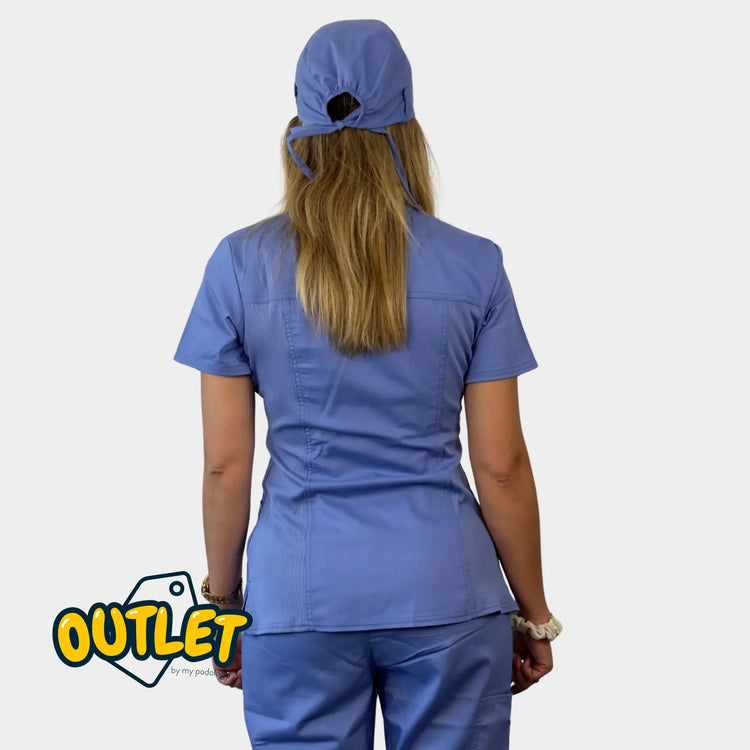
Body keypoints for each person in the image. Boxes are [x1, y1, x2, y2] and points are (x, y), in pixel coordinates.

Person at [173, 18, 561, 750]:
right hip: (447, 592)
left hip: (297, 596)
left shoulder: (238, 265)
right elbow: (502, 467)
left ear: (301, 123)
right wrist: (533, 614)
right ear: (407, 125)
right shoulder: (476, 265)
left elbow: (224, 466)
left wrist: (220, 609)